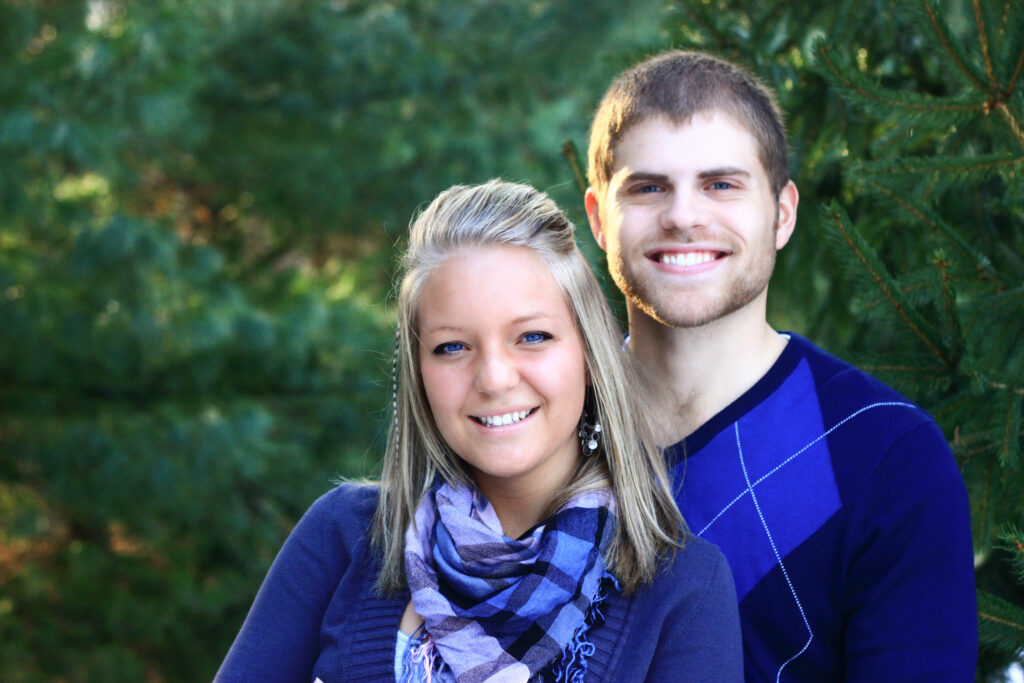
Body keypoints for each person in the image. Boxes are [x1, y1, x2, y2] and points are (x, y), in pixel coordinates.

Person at [216, 179, 743, 682]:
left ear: (589, 353)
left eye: (532, 336)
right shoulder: (345, 536)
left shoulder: (682, 589)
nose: (493, 378)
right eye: (452, 347)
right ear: (419, 374)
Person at [583, 50, 978, 681]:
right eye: (648, 187)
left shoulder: (885, 454)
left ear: (783, 213)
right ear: (600, 218)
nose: (684, 216)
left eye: (721, 184)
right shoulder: (535, 425)